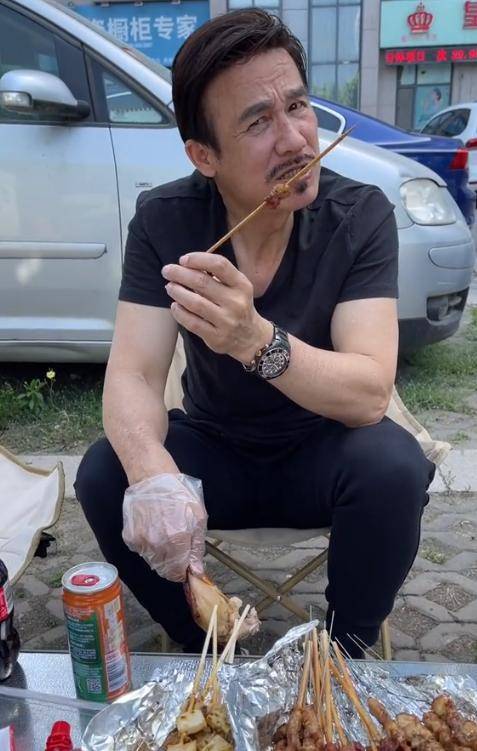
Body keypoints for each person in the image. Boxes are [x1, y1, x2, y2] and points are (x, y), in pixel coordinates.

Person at [75, 9, 435, 656]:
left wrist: (254, 340)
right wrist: (154, 475)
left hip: (323, 453)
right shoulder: (166, 220)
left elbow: (367, 394)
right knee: (105, 472)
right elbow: (133, 373)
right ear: (203, 156)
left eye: (297, 106)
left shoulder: (358, 215)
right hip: (215, 451)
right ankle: (208, 648)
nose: (295, 140)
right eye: (258, 122)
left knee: (393, 465)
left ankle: (345, 657)